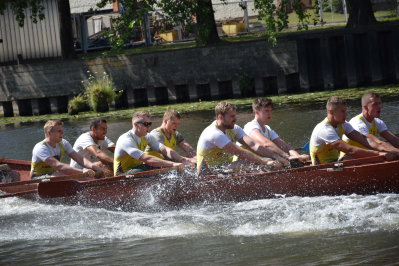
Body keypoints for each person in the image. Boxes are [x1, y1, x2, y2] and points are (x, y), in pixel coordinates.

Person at [196, 101, 290, 174]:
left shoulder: (233, 128)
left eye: (235, 116)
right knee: (258, 164)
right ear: (220, 117)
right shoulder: (214, 133)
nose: (235, 119)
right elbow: (240, 152)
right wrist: (265, 162)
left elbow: (253, 144)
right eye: (232, 116)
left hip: (225, 167)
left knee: (267, 161)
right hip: (208, 173)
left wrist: (276, 156)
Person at [309, 96, 395, 165]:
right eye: (342, 111)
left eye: (345, 111)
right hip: (322, 168)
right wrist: (378, 154)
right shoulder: (324, 129)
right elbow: (350, 150)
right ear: (331, 112)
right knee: (374, 158)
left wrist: (385, 151)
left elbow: (365, 140)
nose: (346, 114)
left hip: (336, 163)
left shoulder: (344, 124)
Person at [113, 111, 195, 175]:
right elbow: (147, 159)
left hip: (138, 169)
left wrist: (181, 160)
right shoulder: (125, 139)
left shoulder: (147, 137)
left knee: (169, 160)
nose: (149, 126)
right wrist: (173, 164)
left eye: (149, 124)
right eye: (146, 124)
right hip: (122, 175)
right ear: (136, 125)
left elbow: (164, 149)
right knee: (153, 165)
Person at [30, 120, 105, 179]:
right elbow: (58, 166)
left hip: (53, 174)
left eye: (62, 130)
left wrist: (94, 167)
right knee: (61, 176)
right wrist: (82, 171)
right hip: (37, 178)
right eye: (59, 131)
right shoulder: (40, 148)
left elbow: (80, 159)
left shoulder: (63, 143)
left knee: (87, 178)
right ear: (49, 133)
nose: (62, 133)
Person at [242, 98, 309, 163]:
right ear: (257, 112)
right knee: (277, 161)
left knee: (279, 160)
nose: (270, 114)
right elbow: (266, 144)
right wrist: (287, 156)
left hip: (258, 161)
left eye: (271, 111)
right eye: (266, 111)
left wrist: (297, 156)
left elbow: (284, 146)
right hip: (243, 162)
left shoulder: (268, 129)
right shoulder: (250, 126)